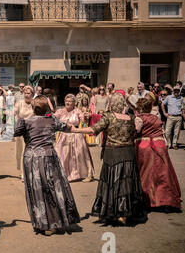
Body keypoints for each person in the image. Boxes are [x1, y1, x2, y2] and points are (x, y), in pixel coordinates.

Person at [71, 93, 146, 225]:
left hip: (113, 155)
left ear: (111, 104)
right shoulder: (130, 117)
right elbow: (135, 133)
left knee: (114, 183)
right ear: (123, 105)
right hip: (128, 154)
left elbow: (93, 129)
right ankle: (125, 213)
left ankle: (116, 212)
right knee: (126, 184)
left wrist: (74, 130)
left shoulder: (109, 117)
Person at [14, 96, 81, 236]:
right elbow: (67, 127)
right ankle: (57, 221)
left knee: (37, 190)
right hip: (49, 157)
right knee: (53, 188)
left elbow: (13, 132)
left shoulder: (25, 122)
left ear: (33, 108)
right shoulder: (52, 120)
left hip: (32, 159)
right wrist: (85, 130)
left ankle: (45, 224)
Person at [134, 98, 181, 212]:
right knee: (163, 173)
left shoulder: (139, 118)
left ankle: (148, 200)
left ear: (140, 108)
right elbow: (161, 130)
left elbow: (137, 130)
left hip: (146, 146)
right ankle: (166, 201)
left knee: (146, 173)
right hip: (160, 146)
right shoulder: (156, 117)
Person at [54, 94, 94, 182]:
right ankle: (63, 174)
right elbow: (54, 119)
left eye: (70, 101)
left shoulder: (77, 111)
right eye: (66, 101)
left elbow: (83, 120)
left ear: (74, 103)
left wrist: (86, 117)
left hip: (76, 134)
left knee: (79, 154)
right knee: (62, 155)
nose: (67, 103)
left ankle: (87, 174)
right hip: (64, 135)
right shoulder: (60, 111)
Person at [14, 86, 35, 181]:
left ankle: (30, 172)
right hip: (22, 131)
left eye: (28, 93)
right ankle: (23, 173)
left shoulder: (35, 104)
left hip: (33, 131)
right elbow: (14, 112)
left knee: (32, 153)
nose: (26, 95)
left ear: (32, 94)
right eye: (25, 93)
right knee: (22, 152)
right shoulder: (19, 103)